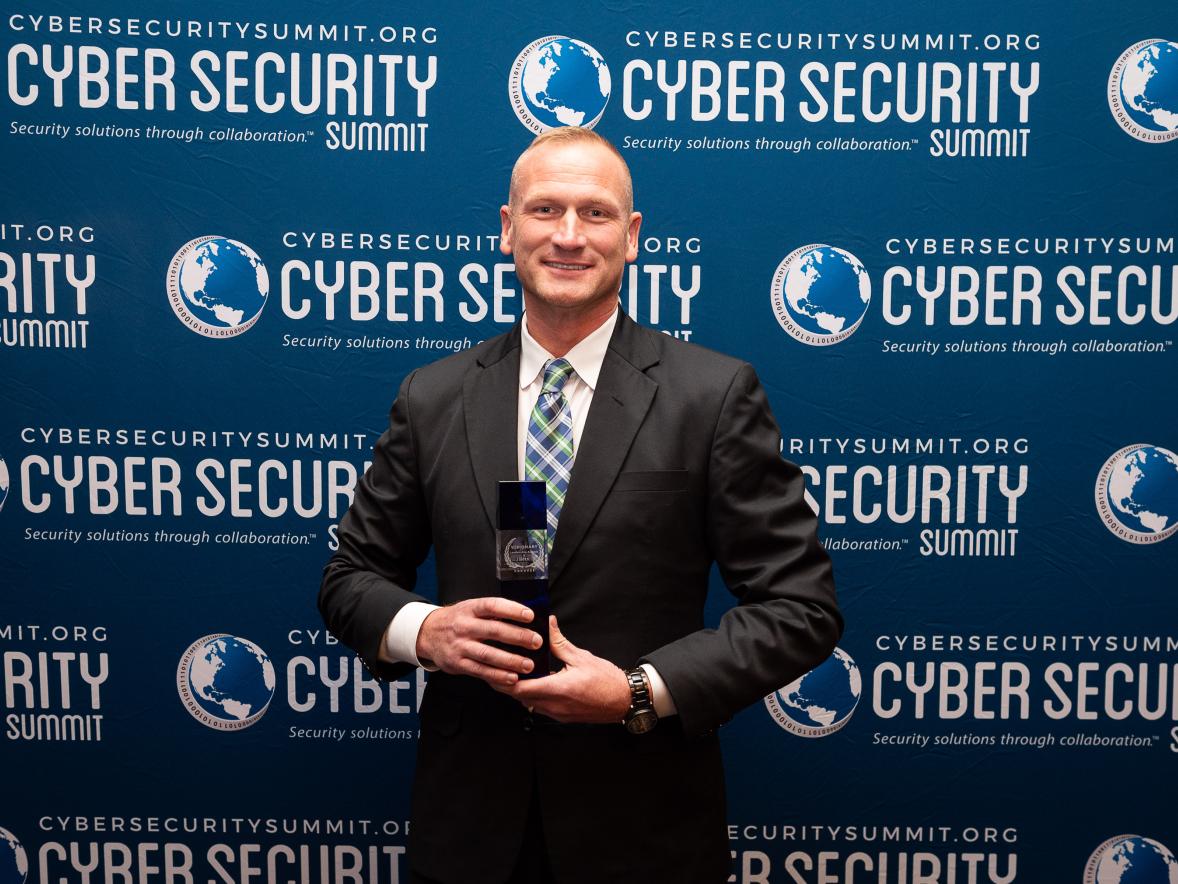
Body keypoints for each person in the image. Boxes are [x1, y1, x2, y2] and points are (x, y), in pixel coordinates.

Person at [319, 126, 842, 884]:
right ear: (507, 229)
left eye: (595, 214)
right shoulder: (433, 398)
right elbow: (350, 579)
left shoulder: (713, 396)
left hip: (645, 829)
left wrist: (638, 692)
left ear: (630, 237)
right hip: (469, 834)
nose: (568, 236)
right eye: (545, 210)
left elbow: (803, 608)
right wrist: (426, 630)